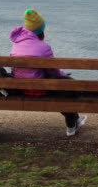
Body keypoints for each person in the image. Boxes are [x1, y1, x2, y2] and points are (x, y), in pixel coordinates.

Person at [9, 8, 87, 136]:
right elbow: (53, 72)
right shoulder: (44, 47)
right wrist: (63, 75)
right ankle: (71, 126)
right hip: (40, 90)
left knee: (65, 88)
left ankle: (76, 121)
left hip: (20, 88)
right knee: (69, 87)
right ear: (41, 30)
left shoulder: (16, 45)